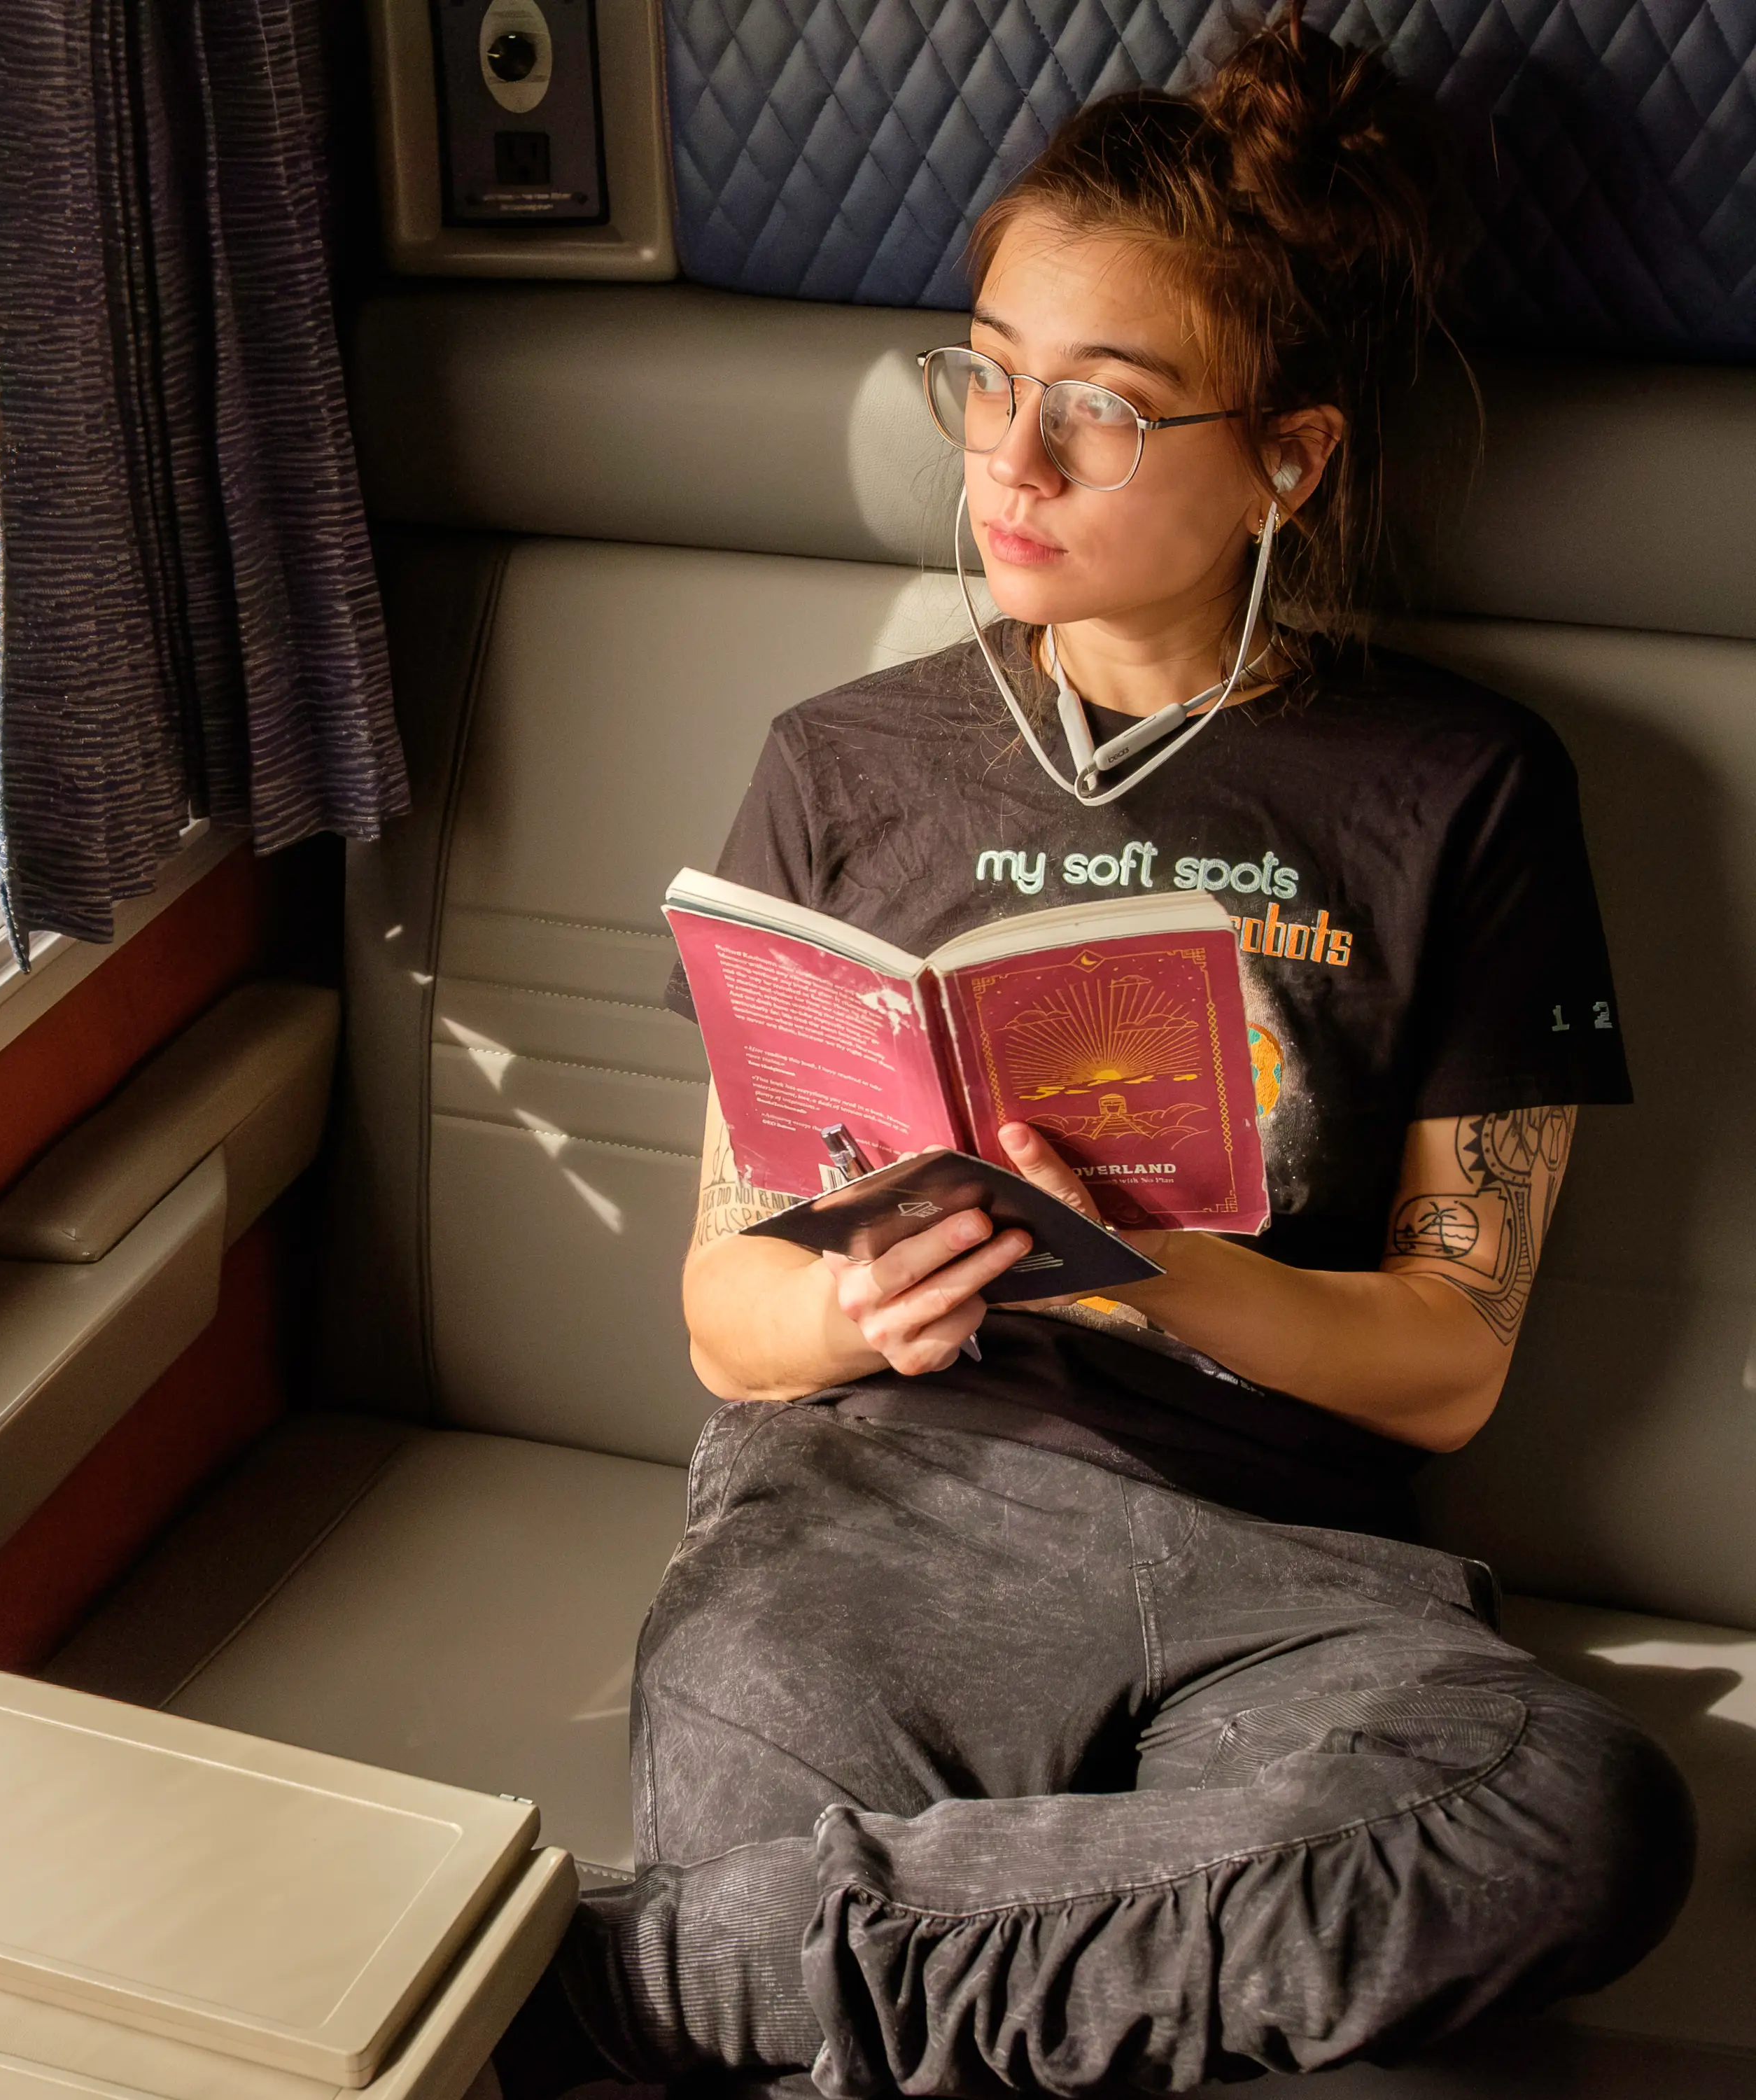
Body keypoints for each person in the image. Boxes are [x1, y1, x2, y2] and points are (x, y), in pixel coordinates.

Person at [496, 13, 1692, 2096]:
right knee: (823, 1856)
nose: (1009, 467)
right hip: (869, 1516)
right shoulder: (841, 768)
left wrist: (1155, 1272)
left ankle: (644, 1986)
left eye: (1107, 414)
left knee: (1568, 1811)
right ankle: (810, 1964)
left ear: (1288, 459)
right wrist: (859, 1304)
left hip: (1297, 1575)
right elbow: (722, 1307)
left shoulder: (1464, 788)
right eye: (990, 379)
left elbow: (1450, 1353)